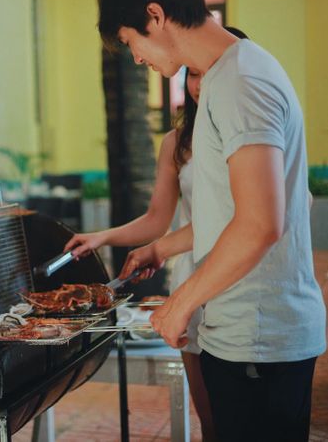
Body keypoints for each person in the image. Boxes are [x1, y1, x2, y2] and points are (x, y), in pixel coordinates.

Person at [95, 0, 326, 441]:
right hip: (243, 335)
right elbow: (229, 215)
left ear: (155, 16)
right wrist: (161, 249)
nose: (137, 58)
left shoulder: (240, 81)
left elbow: (260, 223)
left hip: (258, 342)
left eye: (131, 41)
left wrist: (181, 303)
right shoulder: (229, 75)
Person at [66, 27, 249, 440]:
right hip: (189, 278)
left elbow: (248, 219)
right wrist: (101, 238)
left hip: (236, 276)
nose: (201, 85)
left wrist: (159, 247)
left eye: (208, 74)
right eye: (194, 76)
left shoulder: (245, 130)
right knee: (211, 420)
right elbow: (155, 219)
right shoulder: (176, 142)